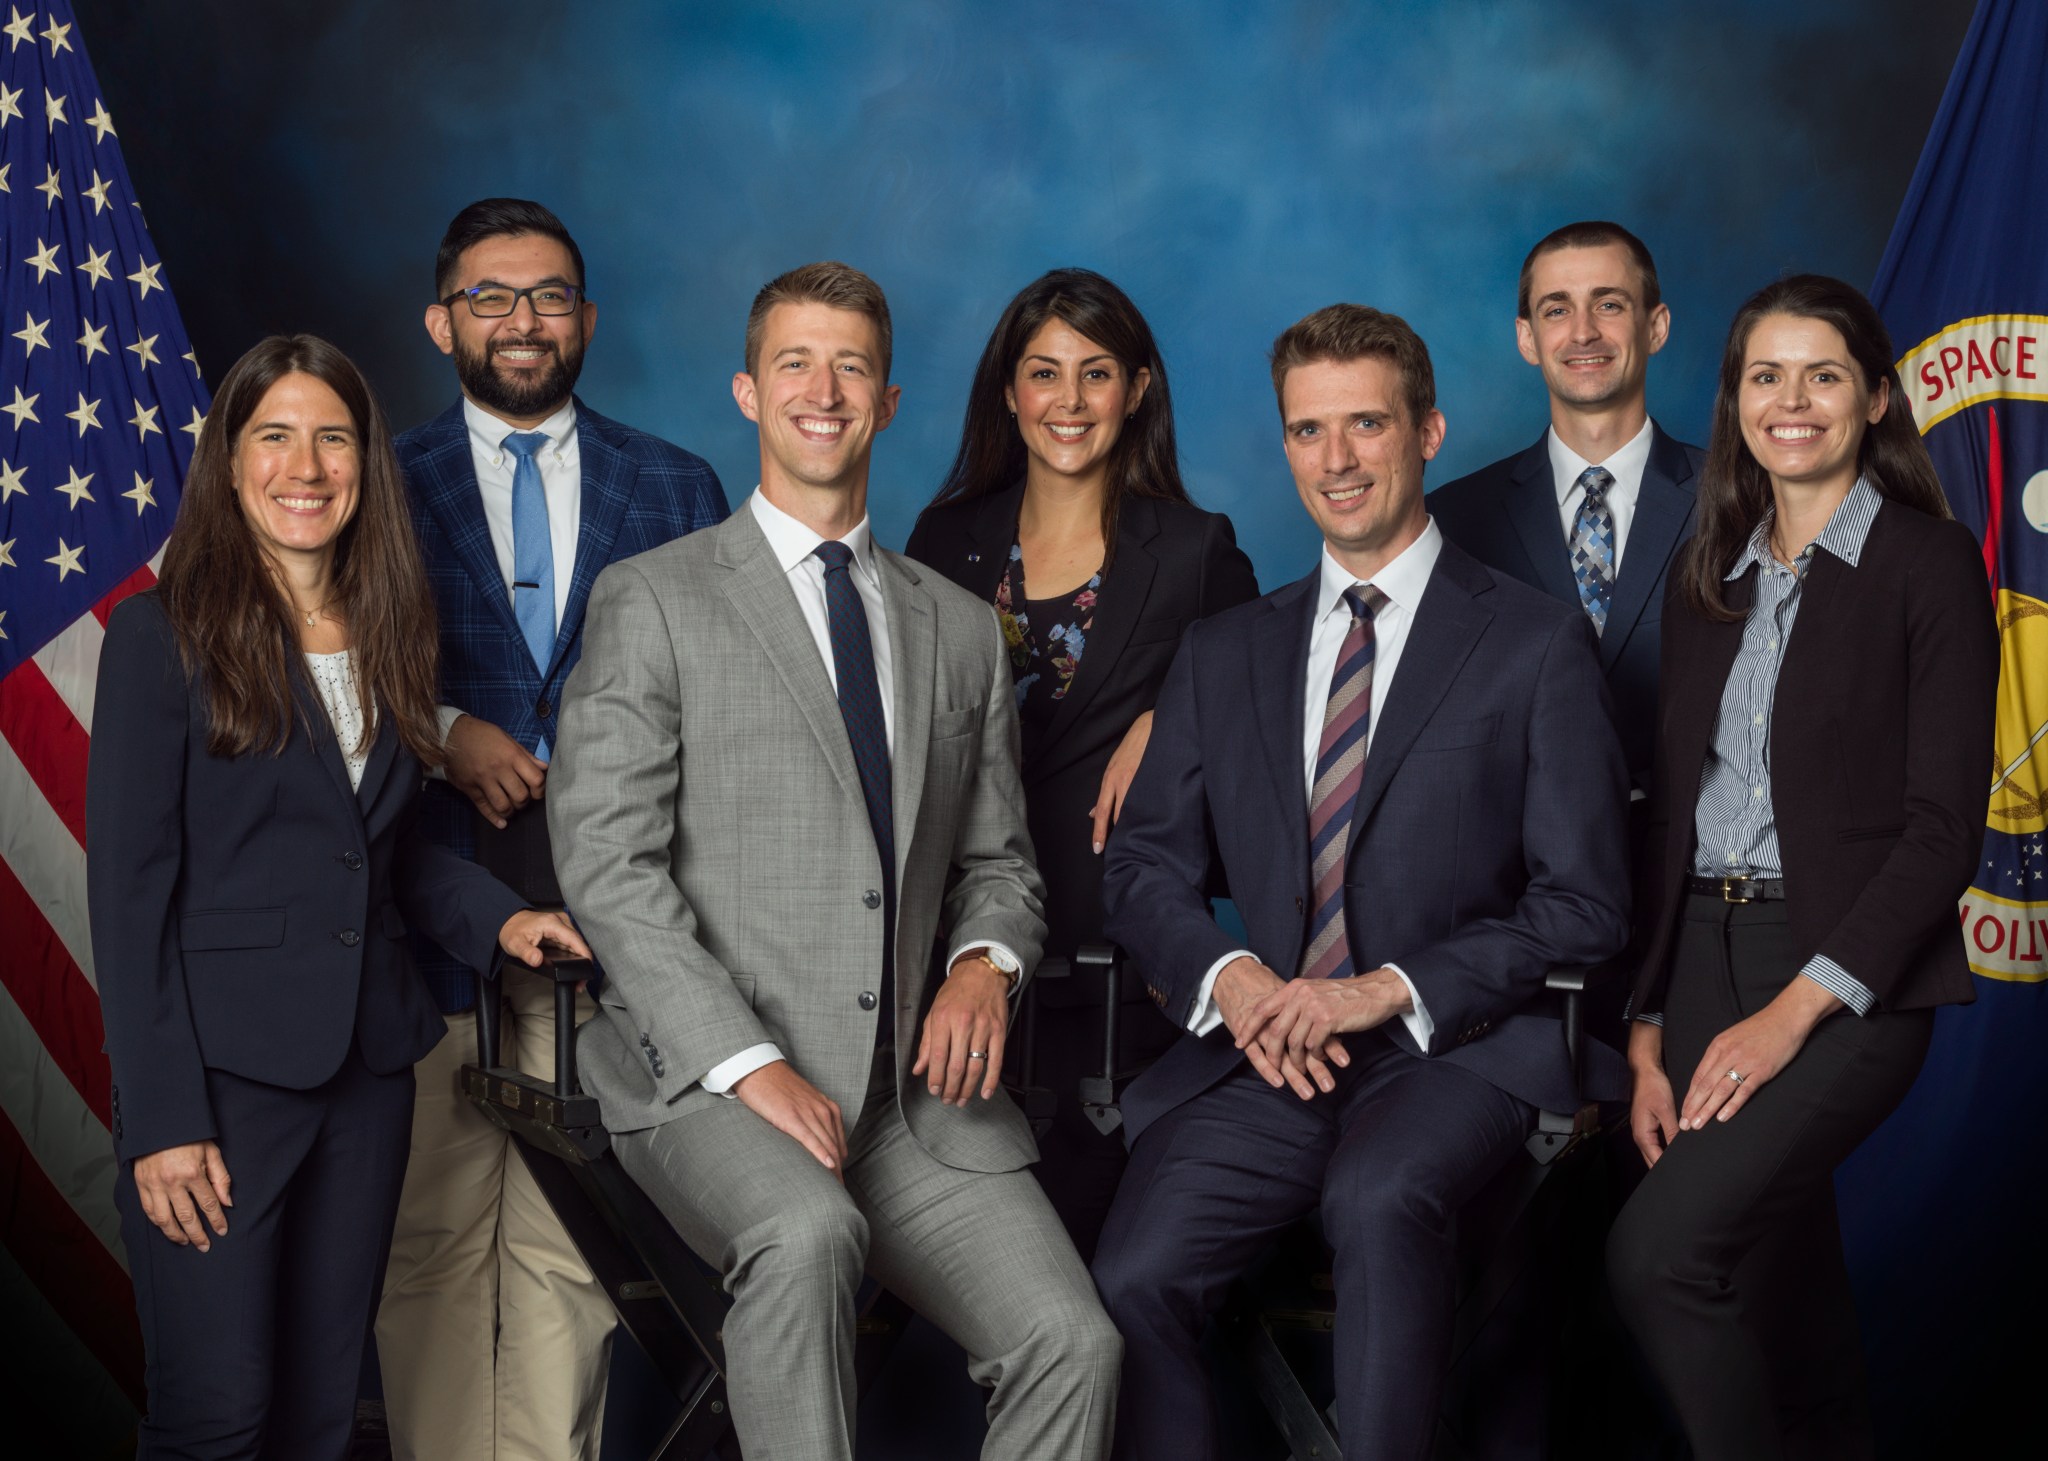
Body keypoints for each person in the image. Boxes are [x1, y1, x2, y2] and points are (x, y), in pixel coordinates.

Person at [548, 261, 1121, 1460]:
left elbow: (1002, 862)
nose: (824, 388)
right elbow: (608, 867)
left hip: (909, 1103)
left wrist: (982, 966)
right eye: (795, 363)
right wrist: (747, 1065)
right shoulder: (651, 599)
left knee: (1073, 1343)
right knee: (808, 1237)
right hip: (706, 1083)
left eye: (851, 365)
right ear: (750, 393)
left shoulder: (958, 628)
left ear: (890, 400)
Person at [1090, 303, 1632, 1461]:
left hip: (1455, 1047)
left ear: (1427, 430)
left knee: (1378, 1203)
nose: (1334, 462)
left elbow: (1583, 900)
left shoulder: (1532, 645)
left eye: (1365, 426)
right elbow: (1141, 866)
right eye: (1305, 432)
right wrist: (1229, 980)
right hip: (1271, 1044)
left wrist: (1382, 988)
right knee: (1136, 1274)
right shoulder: (1224, 650)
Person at [85, 335, 590, 1460]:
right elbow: (127, 894)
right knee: (219, 1418)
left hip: (367, 1076)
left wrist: (499, 919)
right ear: (228, 462)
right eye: (274, 436)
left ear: (365, 463)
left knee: (320, 1420)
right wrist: (163, 1120)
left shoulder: (393, 634)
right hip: (217, 1091)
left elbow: (383, 856)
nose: (304, 466)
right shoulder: (159, 637)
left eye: (333, 437)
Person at [1605, 275, 1997, 1461]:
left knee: (1660, 1257)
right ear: (1732, 400)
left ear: (1873, 398)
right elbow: (1673, 811)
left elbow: (1941, 834)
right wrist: (1643, 1023)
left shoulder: (1927, 567)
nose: (1790, 401)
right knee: (1782, 1299)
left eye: (1821, 375)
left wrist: (1789, 1017)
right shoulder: (1707, 574)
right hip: (1701, 966)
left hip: (1841, 982)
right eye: (1762, 375)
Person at [377, 198, 727, 1461]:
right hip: (423, 923)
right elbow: (319, 665)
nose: (522, 321)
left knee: (569, 1251)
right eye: (491, 296)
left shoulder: (675, 484)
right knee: (428, 1239)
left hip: (603, 932)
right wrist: (441, 722)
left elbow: (718, 703)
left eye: (549, 296)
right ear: (441, 319)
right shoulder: (371, 478)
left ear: (585, 318)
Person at [904, 267, 1258, 1256]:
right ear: (1007, 392)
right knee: (959, 1262)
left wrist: (1168, 713)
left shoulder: (1192, 551)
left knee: (1088, 1257)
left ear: (1136, 389)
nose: (1067, 402)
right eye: (1042, 374)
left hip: (1117, 970)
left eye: (1094, 374)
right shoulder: (943, 541)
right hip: (955, 961)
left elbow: (1270, 713)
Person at [1429, 220, 1701, 835]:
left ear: (1655, 326)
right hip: (1518, 879)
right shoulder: (1454, 519)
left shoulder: (1739, 504)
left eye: (1608, 304)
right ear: (1527, 338)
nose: (1583, 332)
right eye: (1557, 310)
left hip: (1698, 878)